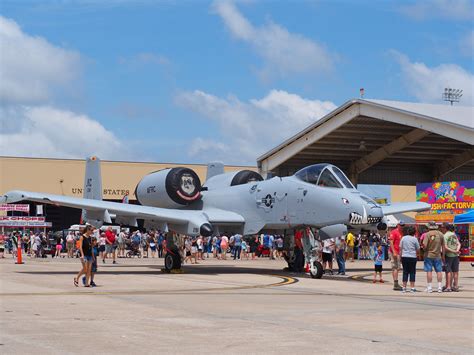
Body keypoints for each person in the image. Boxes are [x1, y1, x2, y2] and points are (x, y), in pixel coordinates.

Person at [423, 222, 444, 293]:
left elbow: (424, 245)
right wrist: (443, 255)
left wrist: (423, 249)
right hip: (438, 255)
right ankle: (439, 287)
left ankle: (429, 287)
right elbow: (443, 246)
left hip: (428, 255)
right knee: (439, 271)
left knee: (429, 271)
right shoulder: (440, 234)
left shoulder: (427, 234)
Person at [400, 225, 420, 293]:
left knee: (405, 272)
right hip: (412, 256)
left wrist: (400, 257)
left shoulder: (403, 238)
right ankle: (412, 287)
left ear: (408, 231)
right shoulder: (415, 239)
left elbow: (400, 248)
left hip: (404, 256)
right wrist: (417, 254)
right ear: (414, 232)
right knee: (412, 272)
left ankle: (404, 287)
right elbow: (418, 249)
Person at [441, 223, 461, 292]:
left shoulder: (445, 236)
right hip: (455, 256)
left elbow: (445, 247)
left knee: (448, 271)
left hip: (448, 255)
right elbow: (459, 244)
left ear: (446, 228)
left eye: (443, 227)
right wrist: (457, 250)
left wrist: (443, 256)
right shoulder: (454, 235)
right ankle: (455, 286)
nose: (442, 229)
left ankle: (448, 286)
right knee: (455, 271)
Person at [389, 222, 404, 291]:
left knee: (397, 268)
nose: (402, 226)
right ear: (398, 225)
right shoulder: (394, 232)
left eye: (403, 225)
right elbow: (391, 242)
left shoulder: (403, 232)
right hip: (394, 252)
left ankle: (396, 283)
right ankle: (395, 283)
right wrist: (394, 252)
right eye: (401, 225)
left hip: (399, 252)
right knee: (395, 267)